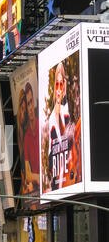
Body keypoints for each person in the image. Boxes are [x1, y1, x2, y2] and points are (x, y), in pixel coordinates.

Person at [48, 62, 70, 190]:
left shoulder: (66, 108)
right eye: (57, 84)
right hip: (56, 172)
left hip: (68, 167)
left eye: (61, 84)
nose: (59, 88)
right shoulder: (52, 115)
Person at [23, 82, 40, 193]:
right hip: (38, 192)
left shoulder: (43, 126)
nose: (30, 107)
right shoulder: (26, 138)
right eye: (27, 104)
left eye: (31, 102)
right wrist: (38, 177)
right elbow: (27, 175)